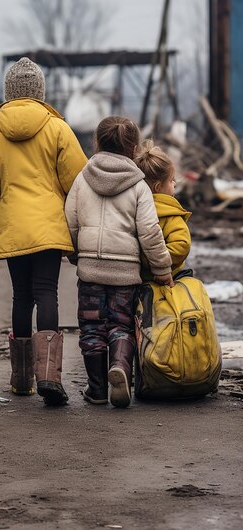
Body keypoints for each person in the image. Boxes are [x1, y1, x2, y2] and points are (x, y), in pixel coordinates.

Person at [0, 57, 87, 406]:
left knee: (21, 296)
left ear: (9, 91)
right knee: (47, 293)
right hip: (48, 224)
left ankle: (21, 380)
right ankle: (49, 377)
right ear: (40, 91)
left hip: (12, 222)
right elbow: (77, 181)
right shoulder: (57, 128)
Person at [65, 117, 173, 408]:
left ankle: (97, 389)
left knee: (91, 327)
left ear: (97, 143)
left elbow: (71, 220)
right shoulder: (138, 185)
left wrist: (76, 252)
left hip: (90, 269)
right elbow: (149, 232)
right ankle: (121, 369)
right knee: (121, 326)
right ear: (134, 148)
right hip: (125, 271)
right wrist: (162, 268)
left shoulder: (82, 177)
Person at [134, 140, 192, 279]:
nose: (175, 184)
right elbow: (181, 245)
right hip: (165, 279)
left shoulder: (132, 208)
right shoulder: (171, 214)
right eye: (172, 180)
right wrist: (157, 264)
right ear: (158, 187)